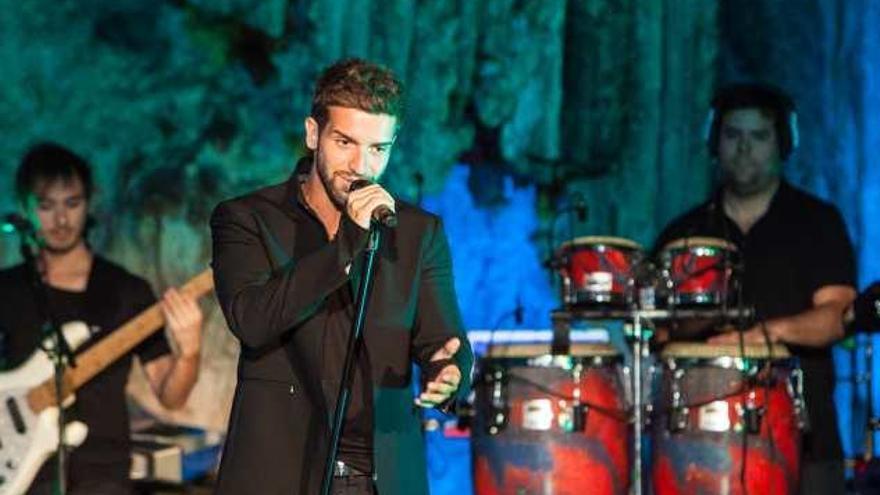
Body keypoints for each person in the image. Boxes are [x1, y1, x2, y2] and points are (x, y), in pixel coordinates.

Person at [210, 58, 473, 495]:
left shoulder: (418, 233)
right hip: (282, 472)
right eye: (345, 142)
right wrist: (347, 243)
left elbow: (443, 340)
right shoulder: (248, 219)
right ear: (313, 134)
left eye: (378, 149)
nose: (361, 165)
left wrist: (448, 372)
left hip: (382, 474)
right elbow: (252, 320)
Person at [654, 83, 857, 494]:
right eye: (732, 135)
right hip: (698, 444)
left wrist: (761, 337)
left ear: (783, 144)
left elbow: (837, 316)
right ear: (714, 142)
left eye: (759, 136)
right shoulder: (684, 234)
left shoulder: (817, 222)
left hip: (805, 441)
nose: (744, 148)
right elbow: (657, 333)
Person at [0, 142, 204, 494]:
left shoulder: (126, 291)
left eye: (72, 203)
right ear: (24, 207)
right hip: (19, 473)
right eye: (46, 206)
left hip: (102, 474)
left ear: (89, 202)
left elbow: (170, 397)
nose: (61, 220)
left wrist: (189, 353)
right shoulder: (7, 289)